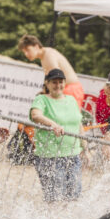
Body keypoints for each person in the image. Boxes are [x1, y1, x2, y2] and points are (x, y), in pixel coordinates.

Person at [29, 68, 85, 202]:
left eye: (61, 82)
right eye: (54, 82)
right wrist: (52, 124)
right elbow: (35, 115)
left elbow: (79, 124)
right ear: (47, 84)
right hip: (50, 156)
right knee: (55, 198)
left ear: (65, 83)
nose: (58, 85)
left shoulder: (71, 100)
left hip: (73, 155)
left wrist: (85, 148)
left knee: (74, 197)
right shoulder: (41, 99)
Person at [18, 34, 85, 107]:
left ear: (36, 46)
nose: (26, 54)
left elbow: (57, 78)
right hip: (66, 89)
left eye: (28, 50)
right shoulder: (44, 57)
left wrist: (47, 94)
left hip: (71, 90)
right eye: (24, 52)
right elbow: (50, 80)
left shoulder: (49, 55)